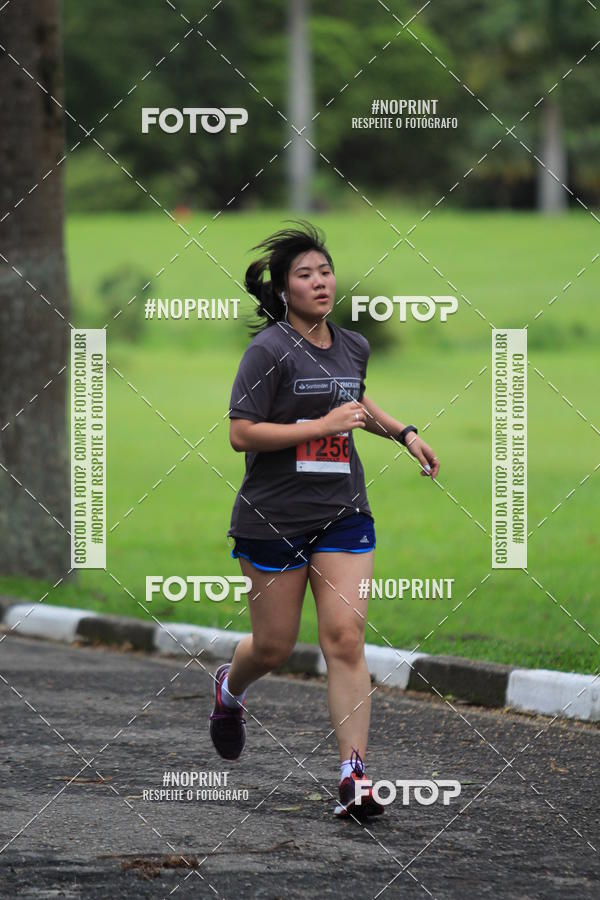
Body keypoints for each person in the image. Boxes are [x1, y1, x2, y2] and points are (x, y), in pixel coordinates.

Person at [209, 222, 440, 819]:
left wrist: (405, 434)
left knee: (345, 638)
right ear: (284, 289)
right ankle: (230, 689)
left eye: (326, 271)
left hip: (343, 512)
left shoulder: (353, 345)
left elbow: (355, 403)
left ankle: (353, 776)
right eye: (305, 274)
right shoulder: (268, 351)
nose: (320, 282)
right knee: (273, 647)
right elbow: (241, 433)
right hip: (273, 517)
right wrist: (319, 427)